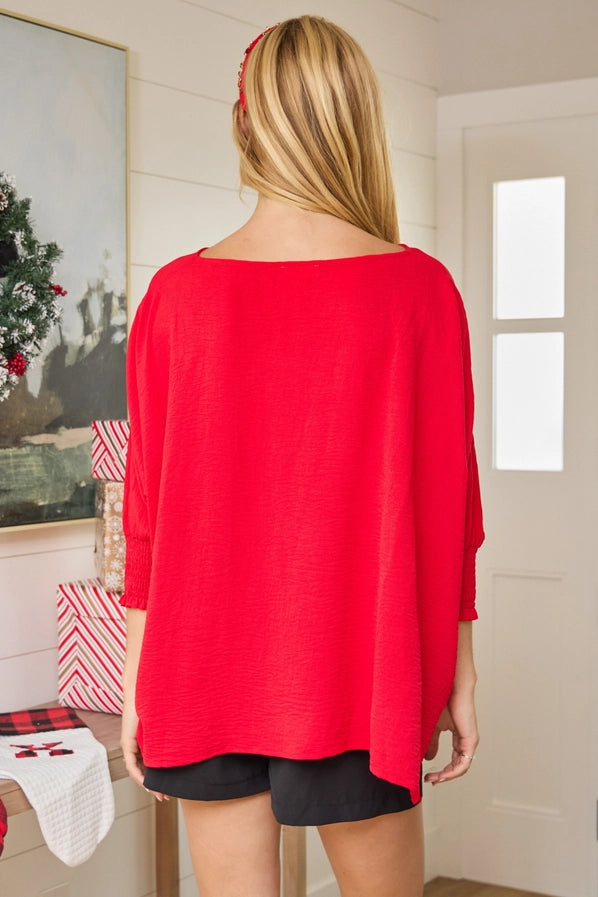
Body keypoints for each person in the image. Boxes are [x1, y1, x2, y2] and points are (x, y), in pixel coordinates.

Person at [120, 15, 484, 897]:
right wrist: (458, 673)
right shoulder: (421, 293)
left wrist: (139, 682)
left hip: (200, 669)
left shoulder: (175, 297)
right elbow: (451, 513)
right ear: (356, 121)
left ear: (244, 125)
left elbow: (147, 520)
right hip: (362, 675)